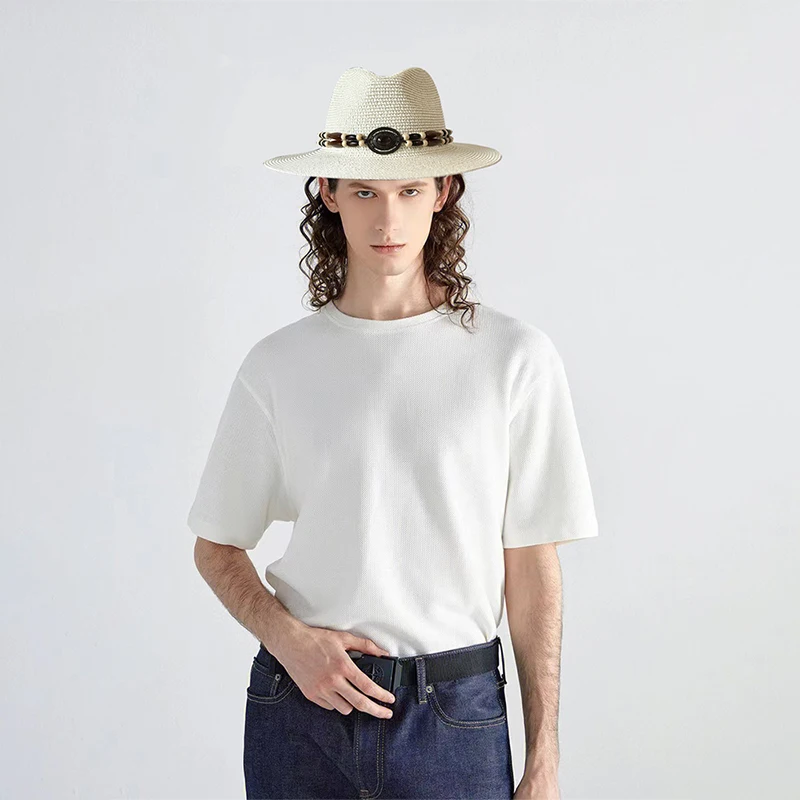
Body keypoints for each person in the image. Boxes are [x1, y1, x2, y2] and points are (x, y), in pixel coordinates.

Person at [187, 66, 599, 800]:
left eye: (410, 191)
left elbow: (532, 564)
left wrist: (544, 758)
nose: (388, 221)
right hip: (302, 706)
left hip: (455, 712)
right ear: (328, 193)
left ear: (443, 192)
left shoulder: (514, 359)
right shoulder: (278, 365)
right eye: (365, 193)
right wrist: (288, 641)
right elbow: (216, 545)